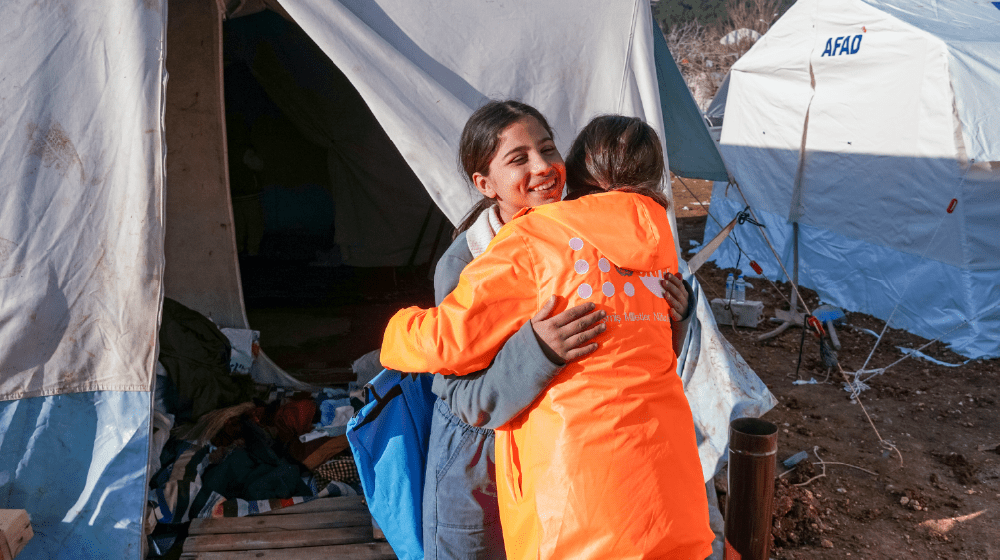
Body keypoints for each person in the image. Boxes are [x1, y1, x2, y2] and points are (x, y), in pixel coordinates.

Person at [383, 114, 713, 559]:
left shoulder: (600, 238)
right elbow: (458, 394)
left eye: (548, 149)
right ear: (485, 183)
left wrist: (678, 317)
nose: (542, 166)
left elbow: (631, 355)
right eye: (519, 158)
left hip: (564, 462)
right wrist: (538, 352)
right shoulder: (467, 260)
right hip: (477, 452)